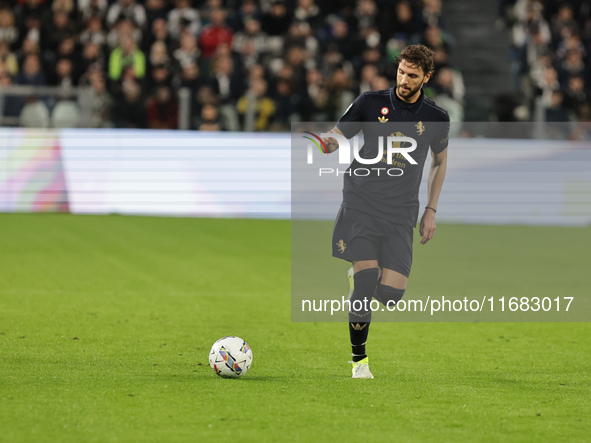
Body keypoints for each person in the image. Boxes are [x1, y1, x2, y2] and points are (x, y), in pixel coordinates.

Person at [321, 44, 450, 379]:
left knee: (391, 294)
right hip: (361, 203)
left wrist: (431, 209)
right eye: (401, 72)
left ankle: (364, 280)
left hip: (401, 212)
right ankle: (359, 362)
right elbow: (338, 133)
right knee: (366, 281)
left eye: (412, 75)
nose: (404, 80)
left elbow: (439, 162)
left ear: (426, 77)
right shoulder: (369, 102)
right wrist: (328, 141)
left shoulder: (436, 118)